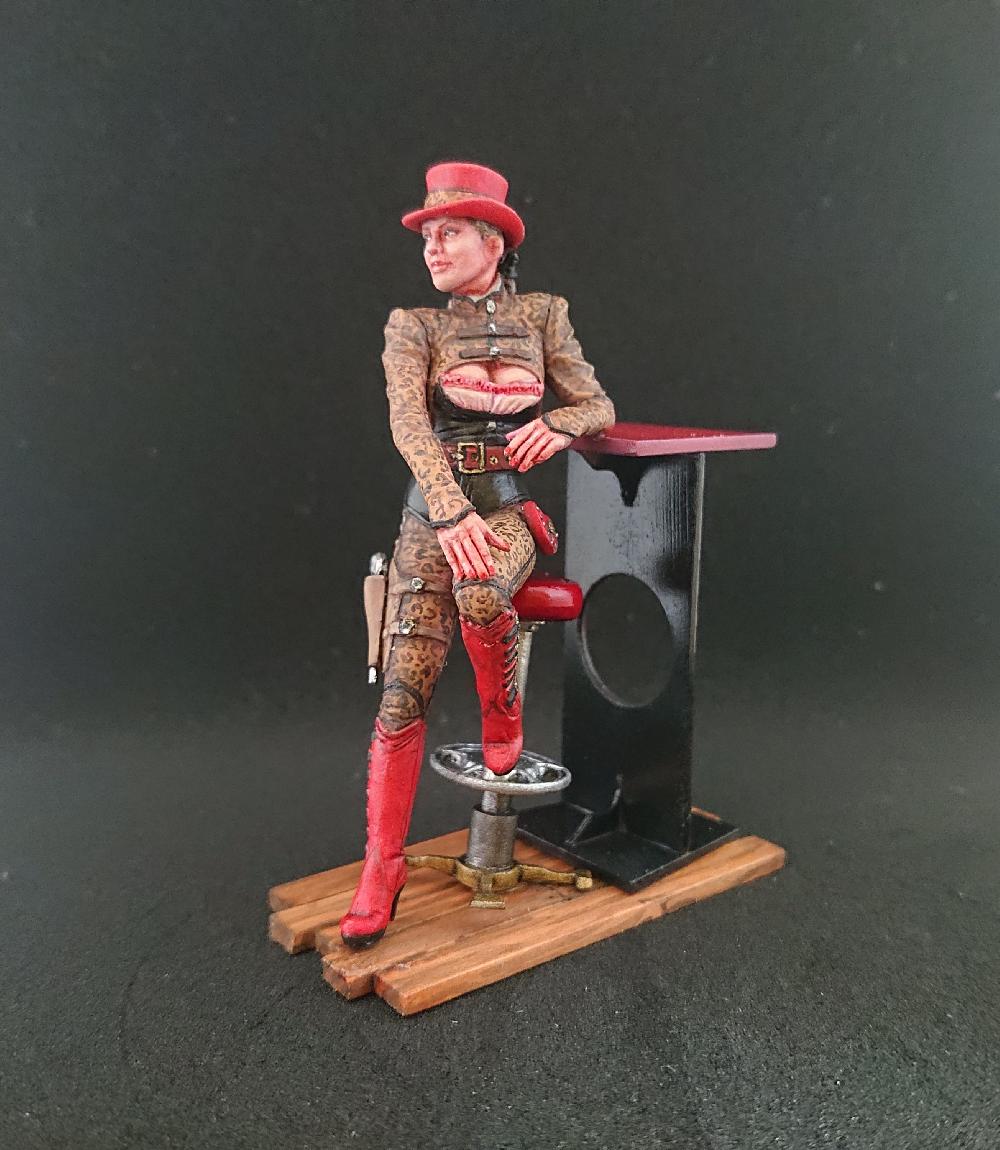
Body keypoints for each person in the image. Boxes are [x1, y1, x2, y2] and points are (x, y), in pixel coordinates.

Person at [340, 162, 615, 948]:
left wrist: (559, 424)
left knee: (485, 592)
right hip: (431, 516)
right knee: (401, 693)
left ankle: (504, 714)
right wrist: (448, 510)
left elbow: (597, 402)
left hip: (506, 509)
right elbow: (407, 423)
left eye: (450, 233)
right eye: (427, 235)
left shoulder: (544, 315)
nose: (432, 248)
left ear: (493, 242)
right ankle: (382, 864)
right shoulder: (414, 326)